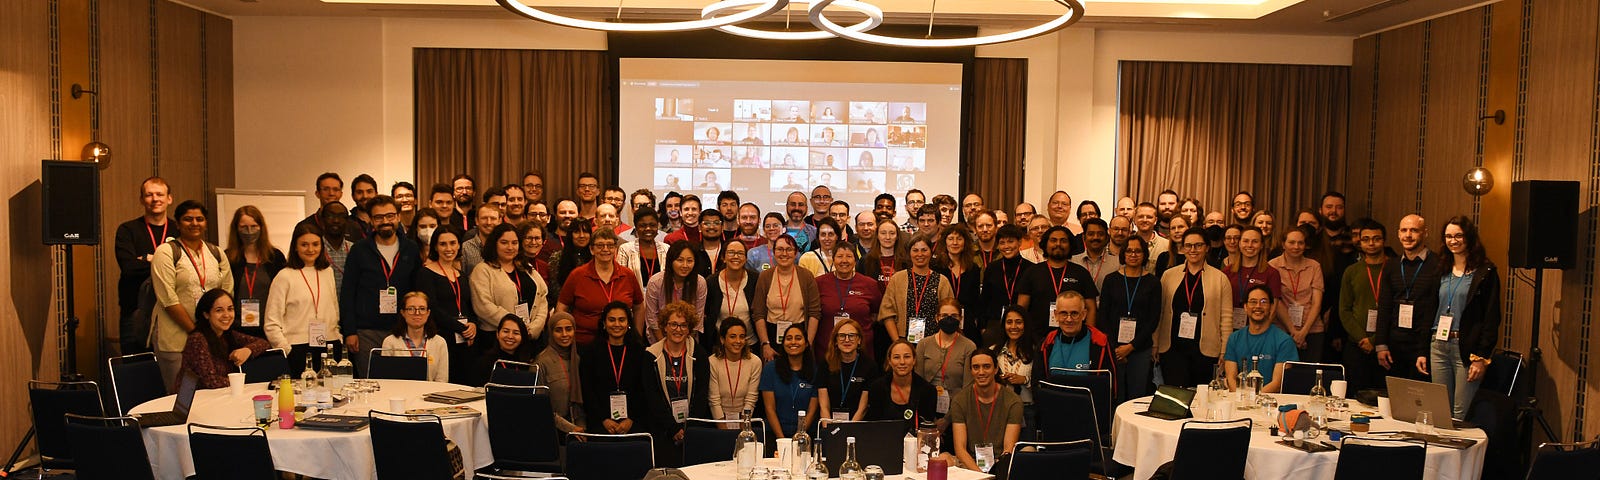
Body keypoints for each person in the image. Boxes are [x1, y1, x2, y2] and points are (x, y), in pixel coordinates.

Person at [1422, 216, 1500, 419]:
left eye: (1458, 236)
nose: (1453, 241)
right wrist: (1421, 350)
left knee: (1458, 414)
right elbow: (1430, 310)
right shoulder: (1440, 270)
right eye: (1448, 236)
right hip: (1437, 345)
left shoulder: (1485, 272)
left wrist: (1481, 358)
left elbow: (1492, 318)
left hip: (1466, 348)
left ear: (1469, 238)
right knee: (1439, 412)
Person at [152, 200, 234, 390]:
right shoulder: (166, 252)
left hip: (212, 339)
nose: (194, 223)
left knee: (211, 393)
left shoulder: (216, 252)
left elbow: (226, 292)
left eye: (199, 219)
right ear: (178, 223)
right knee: (180, 396)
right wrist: (198, 333)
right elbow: (168, 299)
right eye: (188, 219)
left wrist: (211, 332)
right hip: (176, 340)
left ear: (205, 223)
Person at [339, 195, 419, 376]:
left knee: (403, 380)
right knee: (371, 382)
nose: (385, 221)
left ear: (398, 216)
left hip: (402, 329)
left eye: (390, 216)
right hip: (367, 331)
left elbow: (416, 290)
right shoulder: (359, 250)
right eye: (379, 217)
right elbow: (348, 292)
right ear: (371, 220)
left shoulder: (411, 248)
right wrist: (350, 331)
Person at [1156, 230, 1234, 387]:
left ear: (1207, 248)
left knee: (1202, 399)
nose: (1193, 250)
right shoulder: (1168, 276)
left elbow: (1226, 318)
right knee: (1175, 400)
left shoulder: (1220, 278)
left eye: (1198, 245)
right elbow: (1160, 312)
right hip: (1173, 349)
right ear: (1183, 248)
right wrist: (1155, 344)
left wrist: (1224, 350)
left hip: (1205, 351)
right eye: (1188, 245)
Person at [264, 223, 342, 373]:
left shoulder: (327, 272)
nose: (311, 249)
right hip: (298, 349)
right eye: (304, 245)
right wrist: (287, 349)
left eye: (315, 244)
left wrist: (338, 337)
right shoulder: (284, 276)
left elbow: (334, 310)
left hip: (330, 344)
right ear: (295, 246)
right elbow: (271, 322)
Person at [580, 302, 665, 436]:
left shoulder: (640, 352)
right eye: (611, 320)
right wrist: (604, 419)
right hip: (600, 421)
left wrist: (630, 419)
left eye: (622, 320)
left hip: (634, 420)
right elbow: (588, 390)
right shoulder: (590, 353)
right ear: (604, 323)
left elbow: (644, 390)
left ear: (628, 324)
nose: (617, 324)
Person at [1376, 214, 1440, 382]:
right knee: (1394, 398)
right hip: (1394, 345)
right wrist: (1381, 344)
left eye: (1414, 230)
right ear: (1398, 234)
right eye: (1404, 230)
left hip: (1423, 344)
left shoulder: (1438, 264)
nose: (1408, 235)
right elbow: (1384, 307)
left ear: (1425, 233)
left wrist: (1423, 350)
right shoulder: (1391, 265)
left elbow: (1435, 308)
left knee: (1419, 399)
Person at [940, 347, 1023, 473]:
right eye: (976, 367)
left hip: (1001, 463)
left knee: (1028, 452)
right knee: (942, 459)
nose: (981, 372)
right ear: (971, 371)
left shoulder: (1013, 401)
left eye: (986, 366)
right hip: (970, 462)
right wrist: (980, 475)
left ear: (995, 369)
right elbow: (960, 449)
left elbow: (1008, 449)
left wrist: (996, 471)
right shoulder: (960, 400)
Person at [116, 177, 174, 355]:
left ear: (169, 198)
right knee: (137, 371)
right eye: (149, 195)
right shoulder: (127, 230)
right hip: (135, 312)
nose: (155, 199)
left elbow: (186, 268)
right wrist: (165, 264)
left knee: (171, 374)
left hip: (172, 314)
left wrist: (149, 259)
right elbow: (129, 268)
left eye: (159, 194)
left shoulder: (179, 230)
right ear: (142, 199)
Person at [648, 301, 711, 464]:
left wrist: (688, 428)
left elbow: (702, 393)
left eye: (683, 325)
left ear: (689, 329)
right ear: (664, 326)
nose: (678, 329)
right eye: (673, 324)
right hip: (662, 430)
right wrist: (673, 428)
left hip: (692, 430)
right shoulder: (651, 355)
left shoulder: (700, 354)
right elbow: (651, 396)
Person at [557, 229, 645, 347]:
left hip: (622, 342)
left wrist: (637, 335)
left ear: (615, 250)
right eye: (600, 245)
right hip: (585, 342)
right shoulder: (577, 275)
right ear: (591, 250)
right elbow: (561, 308)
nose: (605, 249)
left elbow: (639, 307)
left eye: (610, 245)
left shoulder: (628, 275)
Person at [470, 223, 550, 351]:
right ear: (494, 243)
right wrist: (516, 327)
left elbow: (542, 298)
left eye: (514, 243)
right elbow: (483, 306)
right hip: (497, 339)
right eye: (504, 242)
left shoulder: (526, 267)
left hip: (530, 337)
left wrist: (534, 327)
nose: (510, 247)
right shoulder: (483, 270)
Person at [412, 225, 474, 383]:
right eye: (443, 244)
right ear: (435, 247)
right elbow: (432, 308)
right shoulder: (425, 273)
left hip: (464, 339)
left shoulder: (461, 275)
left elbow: (468, 305)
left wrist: (473, 324)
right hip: (440, 337)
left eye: (453, 243)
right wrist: (462, 328)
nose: (449, 248)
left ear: (459, 245)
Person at [1015, 227, 1099, 340]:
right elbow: (1021, 308)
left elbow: (1091, 308)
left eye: (1063, 241)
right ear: (1045, 244)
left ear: (1070, 245)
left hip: (1074, 338)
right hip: (1037, 339)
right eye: (1053, 240)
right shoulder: (1032, 272)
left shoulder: (1081, 273)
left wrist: (1088, 337)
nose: (1058, 244)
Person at [1337, 219, 1389, 392]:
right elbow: (1344, 310)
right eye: (1366, 239)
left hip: (1385, 344)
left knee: (1384, 397)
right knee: (1355, 395)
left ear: (1384, 241)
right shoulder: (1352, 271)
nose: (1371, 243)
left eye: (1376, 238)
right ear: (1360, 242)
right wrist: (1362, 338)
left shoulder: (1394, 268)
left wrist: (1375, 341)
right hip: (1356, 344)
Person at [181, 289, 269, 388]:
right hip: (198, 398)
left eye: (230, 309)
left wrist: (248, 350)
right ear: (206, 314)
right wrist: (240, 382)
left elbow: (263, 343)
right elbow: (211, 382)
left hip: (221, 395)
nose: (226, 315)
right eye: (219, 310)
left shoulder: (227, 334)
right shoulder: (197, 339)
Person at [753, 235, 822, 361]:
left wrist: (808, 343)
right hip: (771, 337)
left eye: (789, 249)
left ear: (796, 253)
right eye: (779, 249)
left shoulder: (806, 276)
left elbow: (814, 313)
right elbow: (759, 313)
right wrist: (765, 344)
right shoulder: (765, 277)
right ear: (774, 252)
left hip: (800, 336)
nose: (784, 253)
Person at [879, 236, 954, 348]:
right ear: (909, 253)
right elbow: (887, 313)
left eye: (924, 250)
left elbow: (950, 314)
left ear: (931, 252)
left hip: (935, 342)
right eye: (915, 250)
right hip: (903, 341)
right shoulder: (897, 279)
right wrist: (898, 343)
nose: (920, 254)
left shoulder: (942, 281)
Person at [1223, 285, 1298, 393]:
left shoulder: (1284, 341)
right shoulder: (1234, 338)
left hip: (1270, 404)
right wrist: (1241, 399)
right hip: (1239, 402)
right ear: (1245, 306)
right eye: (1253, 302)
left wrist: (1253, 400)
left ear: (1271, 307)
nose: (1258, 306)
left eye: (1263, 302)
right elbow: (1231, 378)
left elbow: (1277, 384)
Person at [226, 205, 286, 340]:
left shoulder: (275, 257)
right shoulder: (228, 258)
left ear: (261, 227)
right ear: (236, 228)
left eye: (254, 226)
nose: (249, 231)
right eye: (243, 227)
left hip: (269, 330)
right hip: (236, 330)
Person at [815, 245, 883, 360]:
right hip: (827, 352)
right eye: (840, 256)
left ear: (855, 260)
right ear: (833, 259)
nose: (844, 261)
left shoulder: (869, 284)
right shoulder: (819, 283)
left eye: (849, 256)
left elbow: (877, 313)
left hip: (861, 352)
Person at [1269, 225, 1326, 362]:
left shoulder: (1314, 266)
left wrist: (1303, 332)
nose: (1296, 246)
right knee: (1284, 375)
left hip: (1312, 329)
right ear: (1283, 244)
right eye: (1292, 242)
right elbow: (1276, 301)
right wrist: (1294, 332)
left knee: (1309, 375)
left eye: (1300, 243)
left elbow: (1317, 303)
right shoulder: (1272, 266)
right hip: (1282, 329)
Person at [916, 299, 978, 418]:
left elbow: (968, 388)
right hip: (926, 408)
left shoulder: (969, 346)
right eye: (944, 315)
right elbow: (918, 383)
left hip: (957, 409)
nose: (949, 319)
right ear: (937, 318)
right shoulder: (923, 344)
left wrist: (947, 420)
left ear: (960, 318)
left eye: (954, 316)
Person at [759, 324, 820, 440]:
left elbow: (812, 410)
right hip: (775, 434)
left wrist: (798, 436)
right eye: (788, 338)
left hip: (805, 435)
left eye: (798, 338)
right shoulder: (770, 369)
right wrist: (781, 439)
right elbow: (769, 408)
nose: (793, 342)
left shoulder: (814, 371)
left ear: (806, 343)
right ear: (783, 343)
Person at [865, 339, 939, 434]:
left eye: (907, 357)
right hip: (883, 443)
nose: (902, 362)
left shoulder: (928, 391)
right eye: (896, 357)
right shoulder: (877, 388)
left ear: (914, 360)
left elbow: (927, 429)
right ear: (890, 361)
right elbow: (873, 427)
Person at [643, 241, 708, 343]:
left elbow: (697, 318)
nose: (685, 265)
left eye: (690, 261)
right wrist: (665, 345)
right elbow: (652, 319)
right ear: (670, 261)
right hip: (659, 339)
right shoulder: (656, 282)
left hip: (688, 340)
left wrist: (683, 344)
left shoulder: (700, 283)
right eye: (680, 260)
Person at [819, 319, 880, 422]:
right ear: (835, 341)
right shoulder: (825, 364)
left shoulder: (869, 366)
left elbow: (863, 408)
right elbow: (823, 406)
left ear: (859, 340)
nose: (847, 340)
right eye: (842, 336)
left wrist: (849, 430)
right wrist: (830, 429)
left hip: (857, 426)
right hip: (829, 424)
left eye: (851, 335)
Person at [535, 311, 586, 433]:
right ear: (551, 333)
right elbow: (539, 405)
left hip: (580, 426)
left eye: (568, 329)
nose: (564, 334)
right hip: (553, 429)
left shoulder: (579, 358)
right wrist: (571, 428)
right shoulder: (541, 362)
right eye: (558, 330)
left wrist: (582, 428)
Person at [382, 292, 449, 382]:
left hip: (430, 394)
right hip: (398, 394)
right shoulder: (390, 342)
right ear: (403, 313)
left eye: (422, 309)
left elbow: (442, 381)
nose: (417, 313)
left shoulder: (439, 342)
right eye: (411, 309)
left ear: (428, 313)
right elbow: (386, 380)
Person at [990, 306, 1036, 437]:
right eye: (1009, 322)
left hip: (1026, 410)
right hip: (999, 408)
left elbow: (1042, 383)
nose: (1013, 326)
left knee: (1026, 452)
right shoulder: (994, 351)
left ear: (1025, 325)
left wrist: (1025, 380)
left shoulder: (1036, 351)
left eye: (1019, 322)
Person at [935, 224, 984, 343]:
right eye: (951, 239)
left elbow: (976, 300)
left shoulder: (973, 268)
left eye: (959, 239)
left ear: (965, 242)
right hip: (943, 319)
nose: (955, 243)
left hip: (967, 322)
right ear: (945, 242)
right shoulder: (936, 267)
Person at [708, 317, 762, 421]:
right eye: (733, 337)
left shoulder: (755, 362)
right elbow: (714, 400)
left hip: (745, 420)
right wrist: (724, 430)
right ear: (722, 339)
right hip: (718, 420)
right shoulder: (712, 362)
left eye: (742, 337)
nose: (738, 341)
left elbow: (751, 399)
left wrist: (743, 429)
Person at [707, 241, 759, 343]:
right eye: (731, 252)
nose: (736, 256)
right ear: (723, 257)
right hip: (721, 344)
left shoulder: (756, 280)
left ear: (745, 258)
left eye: (740, 253)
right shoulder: (711, 282)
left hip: (750, 343)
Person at [472, 315, 535, 387]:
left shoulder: (527, 364)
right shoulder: (485, 362)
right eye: (506, 331)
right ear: (497, 334)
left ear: (522, 338)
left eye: (516, 333)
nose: (510, 336)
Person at [619, 207, 668, 294]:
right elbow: (621, 279)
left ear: (657, 226)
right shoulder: (626, 249)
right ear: (636, 227)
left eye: (652, 225)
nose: (648, 228)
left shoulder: (666, 249)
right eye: (643, 225)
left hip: (661, 299)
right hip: (635, 299)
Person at [459, 204, 504, 275]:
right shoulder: (465, 248)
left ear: (499, 221)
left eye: (493, 218)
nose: (489, 222)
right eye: (484, 218)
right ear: (477, 221)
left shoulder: (504, 247)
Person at [1071, 218, 1114, 289]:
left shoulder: (1117, 263)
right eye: (1091, 234)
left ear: (1107, 237)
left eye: (1100, 234)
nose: (1095, 237)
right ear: (1084, 237)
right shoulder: (1073, 261)